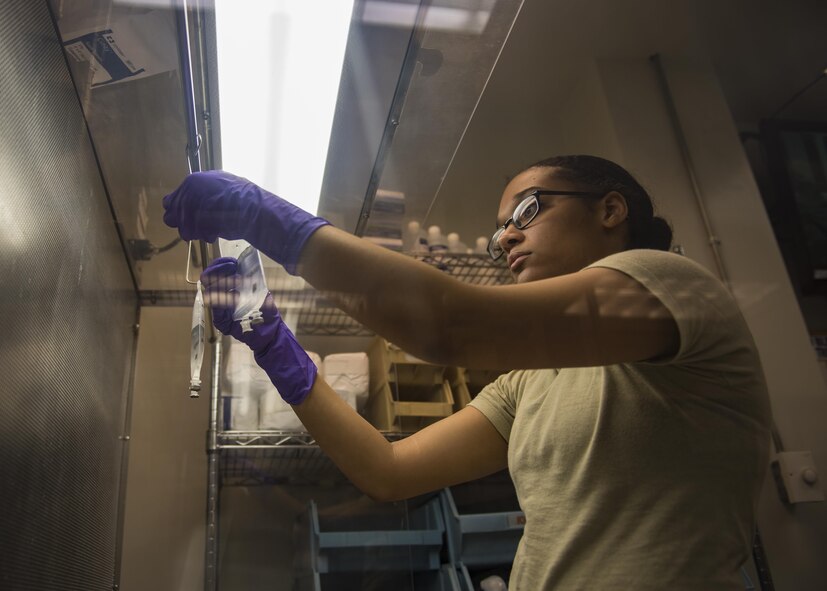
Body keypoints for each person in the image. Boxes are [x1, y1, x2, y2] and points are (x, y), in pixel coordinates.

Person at [163, 154, 772, 590]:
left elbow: (450, 326)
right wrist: (273, 346)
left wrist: (266, 218)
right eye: (499, 231)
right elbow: (390, 471)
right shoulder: (532, 382)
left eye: (526, 211)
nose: (505, 239)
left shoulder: (675, 286)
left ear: (610, 210)